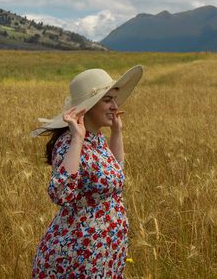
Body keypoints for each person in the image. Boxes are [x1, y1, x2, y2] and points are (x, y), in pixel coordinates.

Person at [30, 65, 143, 278]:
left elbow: (115, 177)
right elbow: (61, 193)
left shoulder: (98, 139)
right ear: (88, 106)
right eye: (107, 100)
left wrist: (117, 132)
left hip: (103, 251)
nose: (115, 106)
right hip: (78, 255)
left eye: (115, 99)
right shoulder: (69, 143)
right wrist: (77, 138)